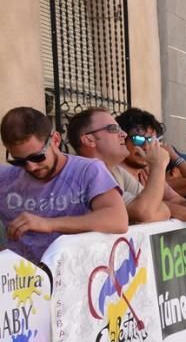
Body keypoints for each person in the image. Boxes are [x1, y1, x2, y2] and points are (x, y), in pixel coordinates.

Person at [0, 106, 127, 262]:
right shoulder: (5, 178)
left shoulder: (88, 171)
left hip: (72, 276)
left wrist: (48, 224)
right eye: (18, 161)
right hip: (19, 280)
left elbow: (118, 219)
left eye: (38, 157)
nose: (30, 167)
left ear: (55, 140)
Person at [68, 107, 171, 224]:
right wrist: (158, 166)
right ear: (89, 140)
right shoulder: (84, 174)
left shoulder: (114, 170)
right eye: (113, 129)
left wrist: (149, 209)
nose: (123, 134)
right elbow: (145, 212)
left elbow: (160, 208)